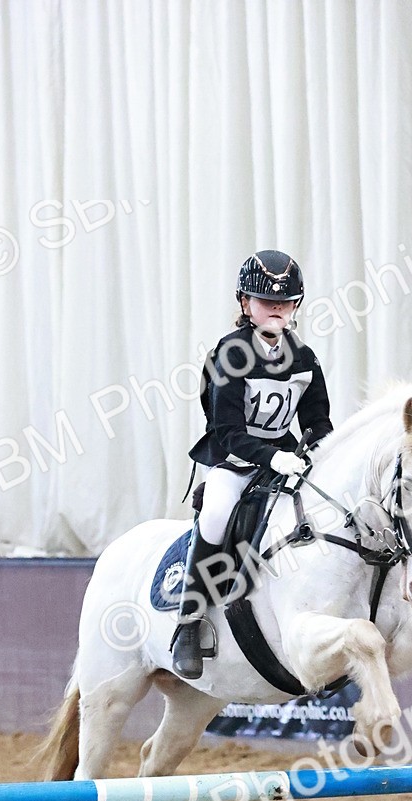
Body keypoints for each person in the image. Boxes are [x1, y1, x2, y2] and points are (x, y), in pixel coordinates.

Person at [171, 249, 333, 679]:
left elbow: (318, 421)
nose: (276, 309)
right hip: (234, 462)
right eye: (266, 301)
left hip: (284, 462)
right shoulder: (230, 354)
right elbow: (227, 431)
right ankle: (189, 621)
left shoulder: (304, 359)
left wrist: (315, 450)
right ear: (245, 304)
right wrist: (274, 456)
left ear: (295, 305)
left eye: (284, 302)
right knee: (217, 514)